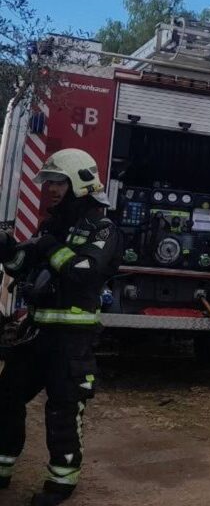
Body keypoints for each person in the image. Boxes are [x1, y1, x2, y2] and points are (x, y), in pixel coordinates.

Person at [0, 148, 123, 505]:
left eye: (58, 181)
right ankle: (2, 466)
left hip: (73, 340)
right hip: (37, 334)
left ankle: (61, 483)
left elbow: (84, 272)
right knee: (6, 396)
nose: (51, 188)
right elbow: (23, 263)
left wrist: (51, 247)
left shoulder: (103, 229)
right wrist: (8, 249)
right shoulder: (51, 226)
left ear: (80, 183)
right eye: (49, 182)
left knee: (63, 410)